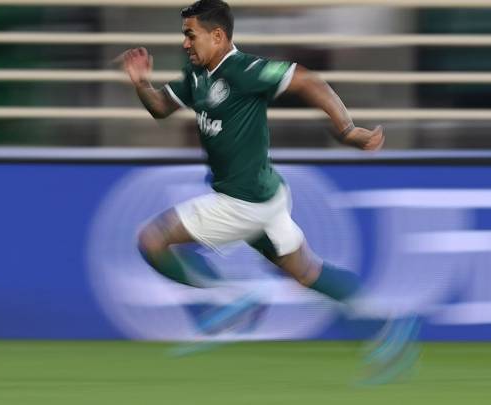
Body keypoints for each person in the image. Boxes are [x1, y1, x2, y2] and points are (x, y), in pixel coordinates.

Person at [119, 0, 417, 383]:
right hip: (267, 197)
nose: (185, 43)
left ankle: (226, 298)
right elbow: (161, 107)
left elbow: (308, 80)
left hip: (242, 202)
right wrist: (142, 82)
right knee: (308, 272)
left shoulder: (244, 70)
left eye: (190, 35)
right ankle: (387, 326)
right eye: (184, 35)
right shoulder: (197, 75)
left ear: (218, 35)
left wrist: (346, 130)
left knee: (151, 241)